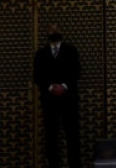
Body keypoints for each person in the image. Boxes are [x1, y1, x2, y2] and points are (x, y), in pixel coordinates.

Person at [33, 25, 82, 168]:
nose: (54, 32)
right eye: (51, 30)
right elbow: (37, 76)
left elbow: (76, 72)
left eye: (56, 30)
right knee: (51, 137)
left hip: (69, 100)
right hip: (49, 101)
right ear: (47, 34)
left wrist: (64, 86)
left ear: (61, 33)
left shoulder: (71, 51)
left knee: (72, 135)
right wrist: (50, 87)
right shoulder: (40, 54)